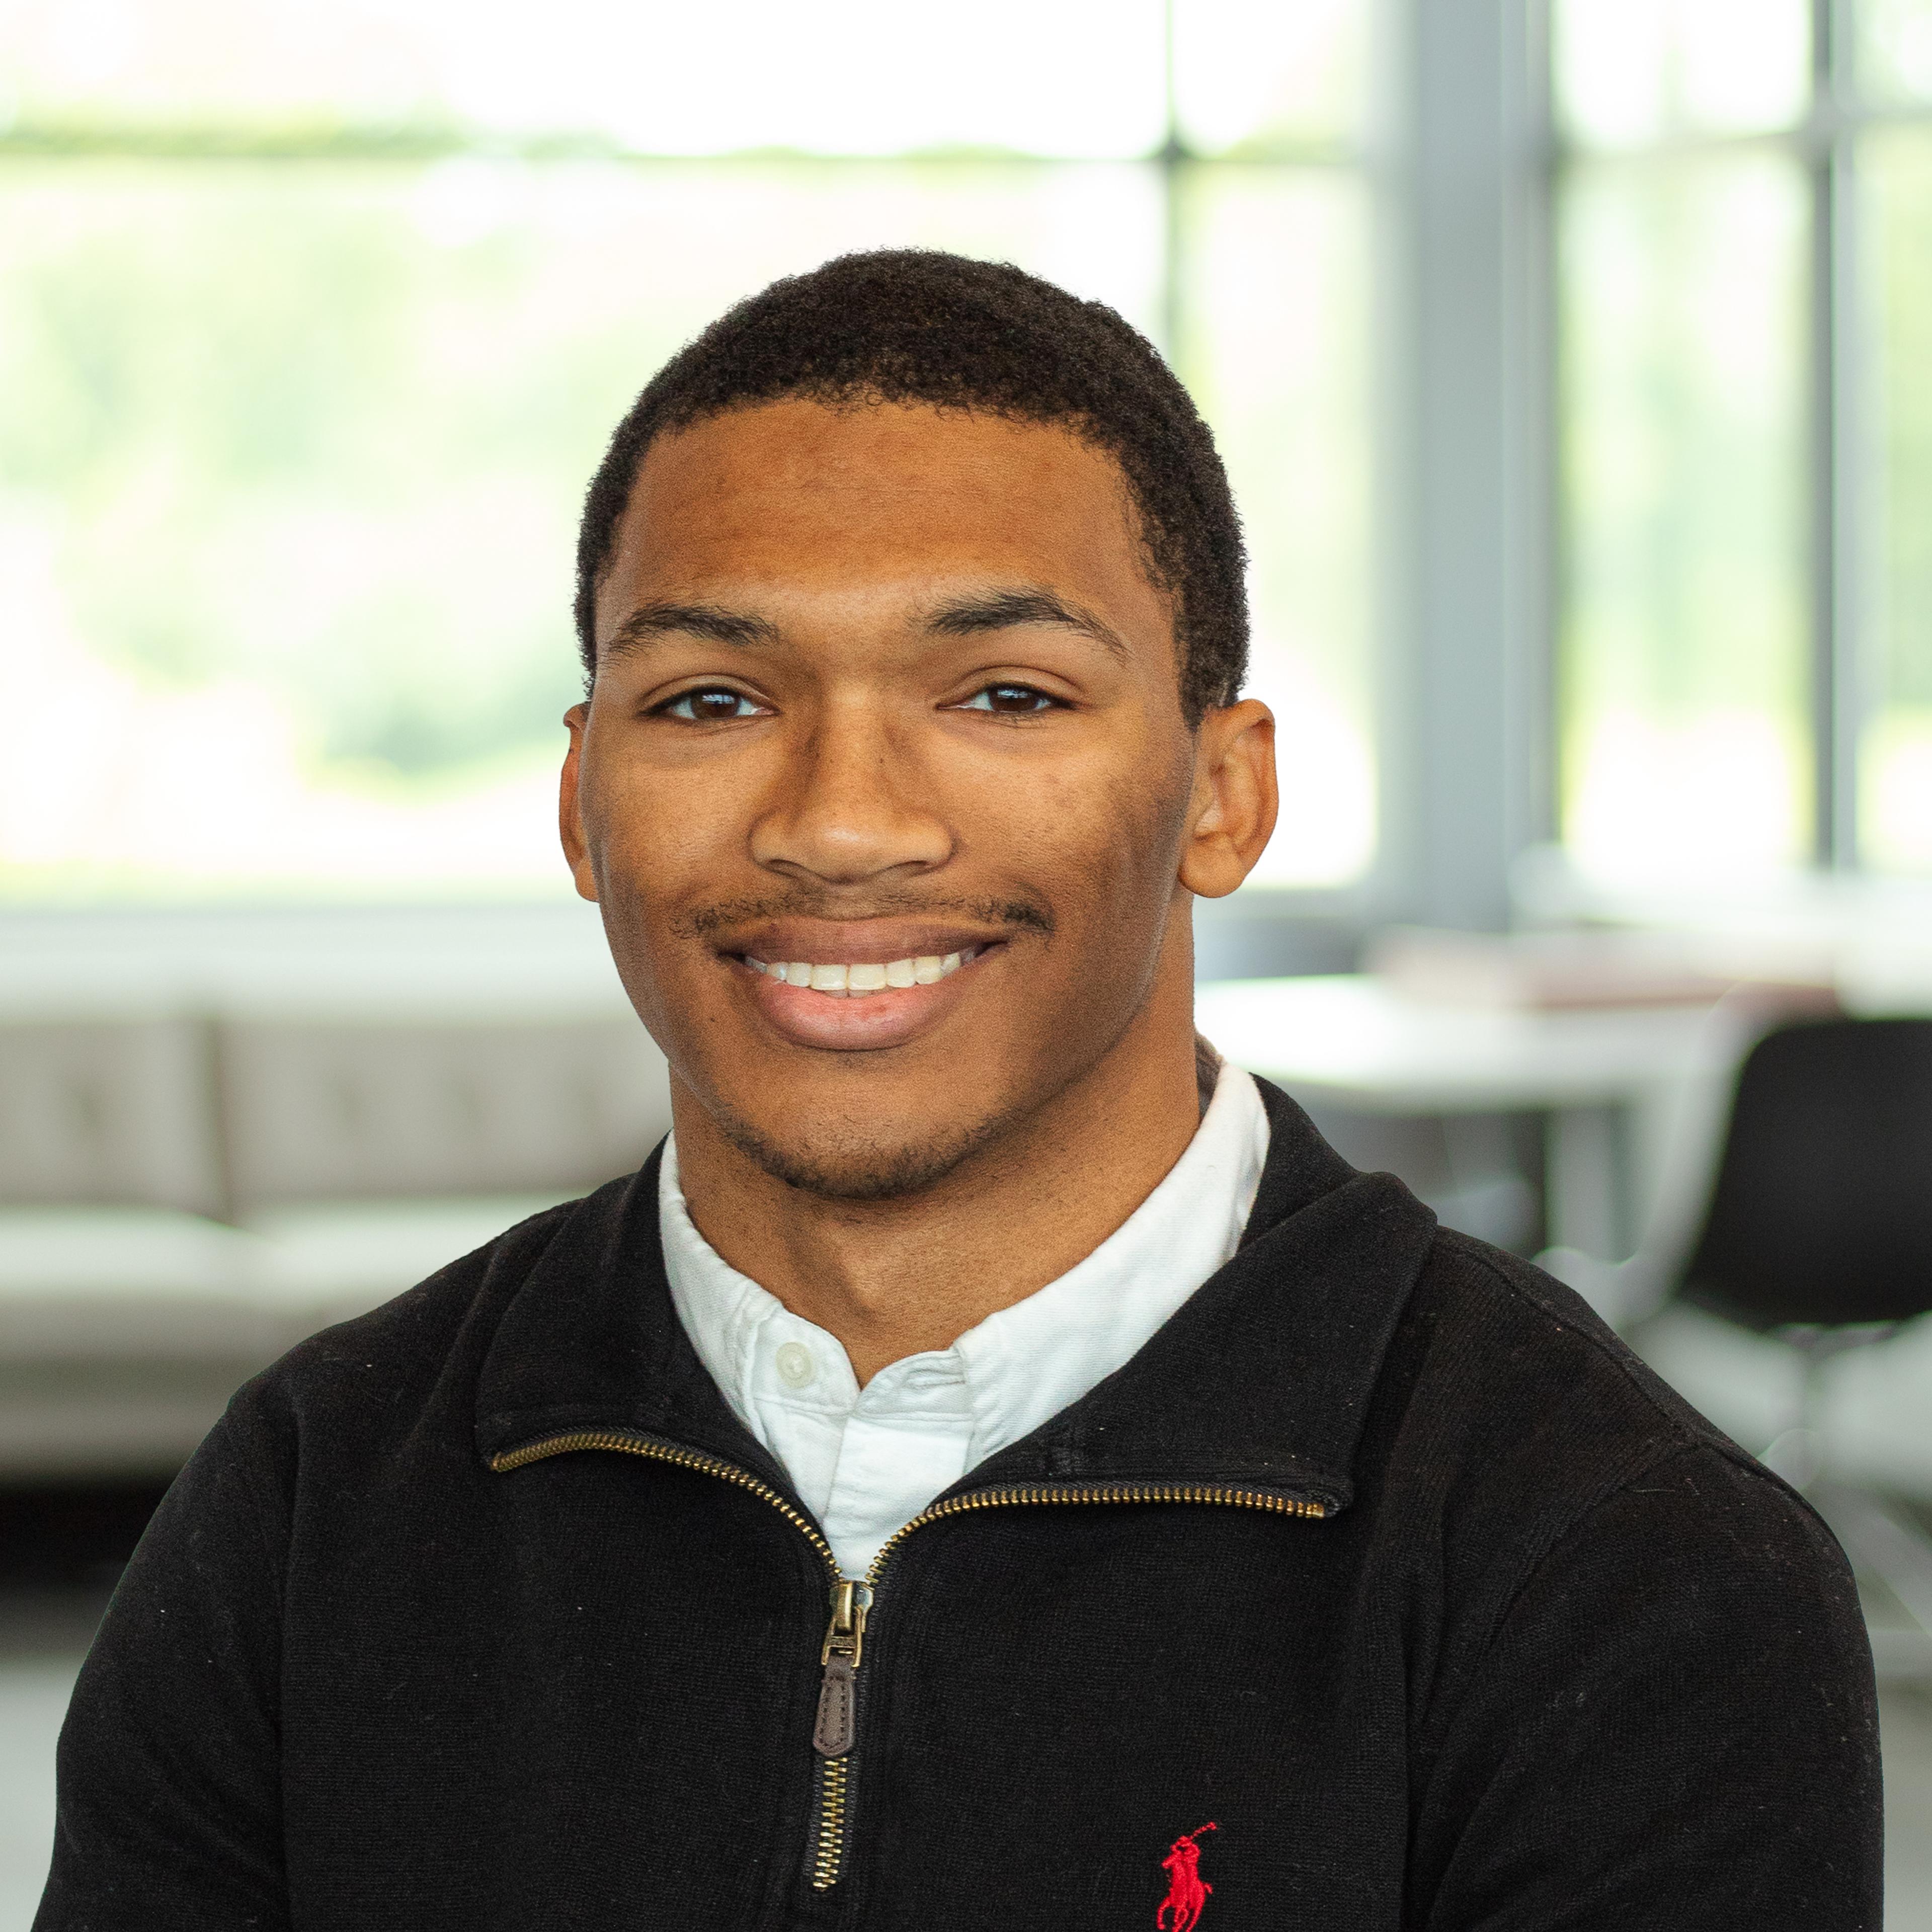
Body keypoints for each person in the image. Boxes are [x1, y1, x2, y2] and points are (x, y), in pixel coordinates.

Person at [37, 251, 1880, 1930]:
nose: (843, 823)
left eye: (1004, 695)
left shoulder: (1627, 1565)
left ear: (1223, 797)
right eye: (711, 702)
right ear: (582, 798)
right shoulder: (313, 1500)